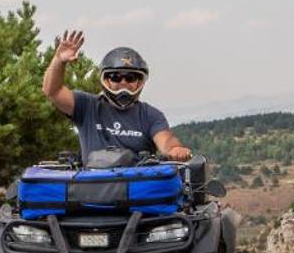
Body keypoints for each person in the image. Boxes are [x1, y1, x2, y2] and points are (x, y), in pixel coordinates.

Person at [42, 31, 193, 163]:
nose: (123, 82)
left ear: (140, 81)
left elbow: (165, 139)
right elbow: (53, 91)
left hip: (137, 190)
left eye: (130, 77)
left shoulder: (150, 115)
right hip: (91, 190)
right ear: (105, 79)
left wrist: (175, 149)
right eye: (115, 77)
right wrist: (58, 61)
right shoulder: (87, 106)